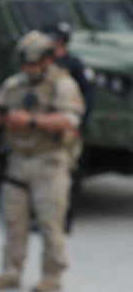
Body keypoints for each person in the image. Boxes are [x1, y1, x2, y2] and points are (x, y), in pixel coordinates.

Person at [0, 30, 85, 292]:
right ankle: (11, 271)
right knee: (13, 220)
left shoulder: (62, 85)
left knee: (50, 221)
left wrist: (30, 121)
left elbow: (70, 120)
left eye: (34, 64)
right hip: (18, 159)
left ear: (47, 60)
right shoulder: (14, 85)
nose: (29, 69)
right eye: (26, 64)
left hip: (49, 160)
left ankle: (52, 274)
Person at [42, 21, 93, 231]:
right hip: (46, 129)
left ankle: (66, 219)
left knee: (69, 173)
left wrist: (79, 123)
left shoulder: (74, 64)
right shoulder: (44, 63)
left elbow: (88, 97)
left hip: (68, 128)